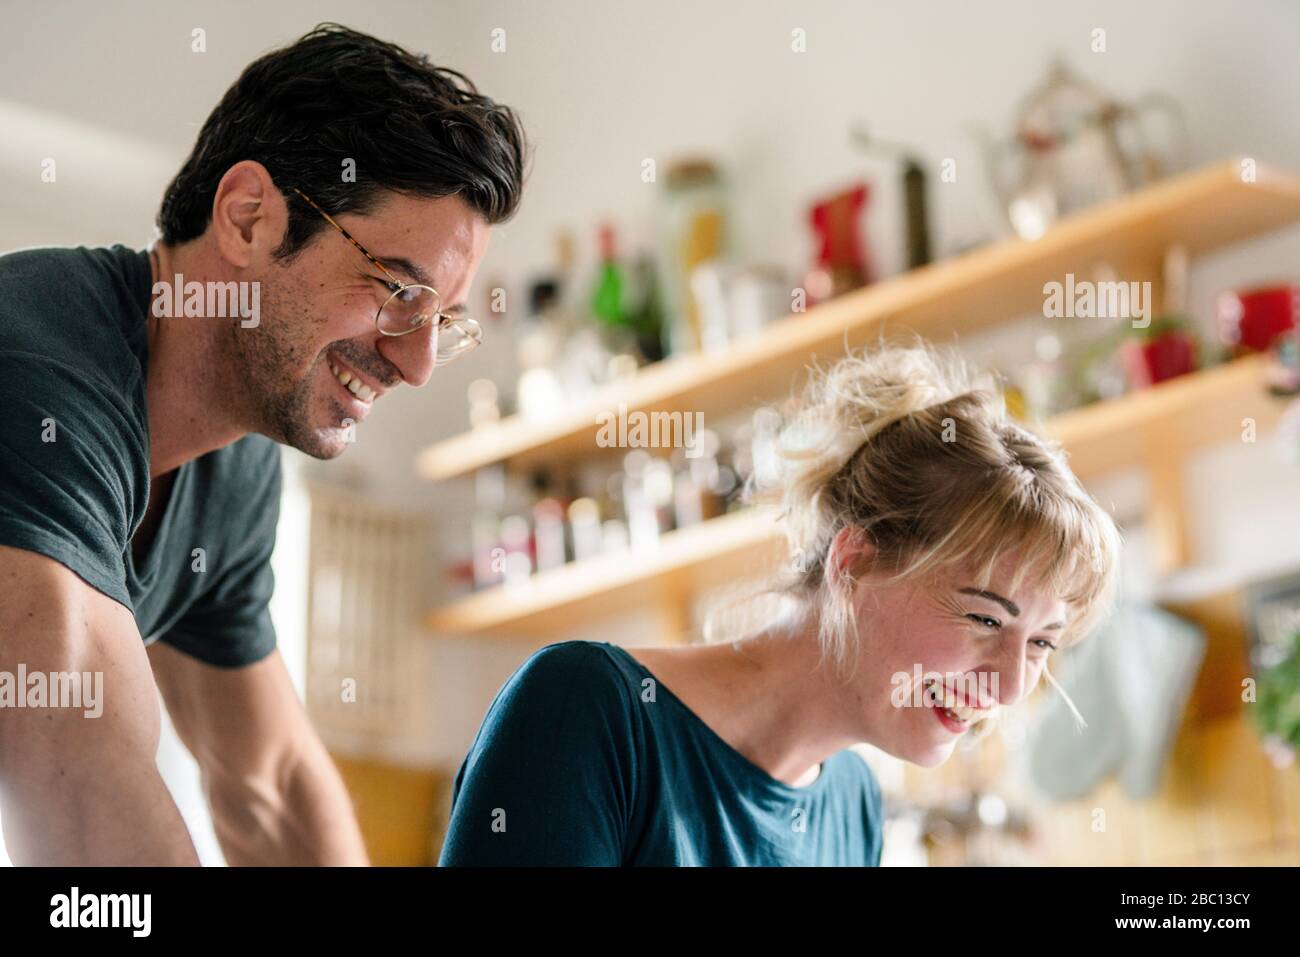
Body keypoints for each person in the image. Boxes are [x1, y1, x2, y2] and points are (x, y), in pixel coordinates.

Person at [0, 23, 527, 865]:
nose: (420, 363)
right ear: (248, 218)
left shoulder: (237, 463)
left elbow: (272, 788)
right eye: (398, 289)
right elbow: (86, 806)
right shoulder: (34, 366)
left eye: (442, 321)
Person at [438, 339, 1122, 866]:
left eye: (1041, 641)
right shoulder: (589, 711)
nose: (1007, 686)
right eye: (984, 617)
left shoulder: (852, 806)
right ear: (853, 564)